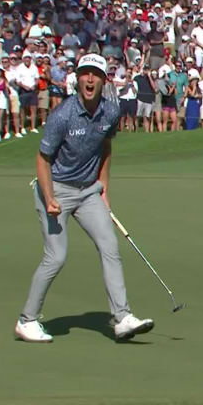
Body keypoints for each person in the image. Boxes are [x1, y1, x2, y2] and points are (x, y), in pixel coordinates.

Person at [15, 53, 153, 343]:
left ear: (104, 80)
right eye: (85, 74)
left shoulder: (111, 111)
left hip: (88, 191)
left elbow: (105, 147)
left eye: (96, 74)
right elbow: (42, 160)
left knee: (110, 246)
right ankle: (26, 321)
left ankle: (122, 317)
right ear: (77, 79)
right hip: (55, 189)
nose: (90, 79)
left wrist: (103, 187)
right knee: (56, 257)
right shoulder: (62, 115)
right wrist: (50, 197)